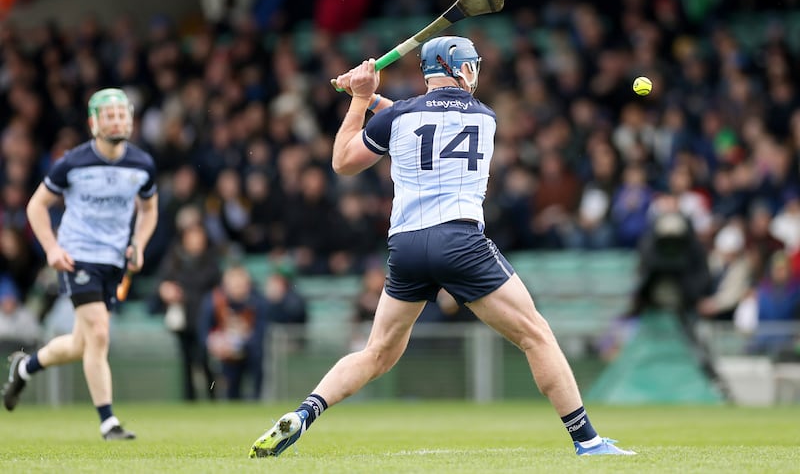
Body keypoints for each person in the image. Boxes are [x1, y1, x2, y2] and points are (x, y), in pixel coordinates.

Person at [249, 37, 635, 457]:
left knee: (377, 353)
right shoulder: (486, 117)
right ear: (459, 69)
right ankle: (588, 441)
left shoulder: (398, 116)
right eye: (472, 65)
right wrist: (371, 95)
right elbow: (425, 115)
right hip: (460, 241)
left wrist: (359, 100)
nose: (476, 72)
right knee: (536, 335)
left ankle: (304, 413)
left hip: (406, 248)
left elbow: (343, 160)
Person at [1, 88, 158, 441]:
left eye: (122, 115)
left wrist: (138, 243)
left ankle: (24, 368)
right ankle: (108, 422)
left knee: (80, 344)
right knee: (99, 334)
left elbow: (149, 210)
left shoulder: (141, 164)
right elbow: (35, 206)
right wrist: (52, 249)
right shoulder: (73, 162)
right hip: (78, 257)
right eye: (110, 116)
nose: (117, 121)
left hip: (114, 260)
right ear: (94, 123)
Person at [155, 221, 221, 401]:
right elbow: (161, 283)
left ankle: (212, 398)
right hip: (184, 320)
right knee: (186, 362)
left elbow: (214, 288)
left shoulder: (210, 261)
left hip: (205, 319)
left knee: (204, 360)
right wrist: (166, 290)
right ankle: (189, 399)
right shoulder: (174, 260)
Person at [198, 264, 267, 400]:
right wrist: (215, 344)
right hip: (223, 355)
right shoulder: (213, 301)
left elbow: (260, 333)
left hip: (249, 352)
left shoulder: (258, 303)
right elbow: (203, 332)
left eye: (240, 285)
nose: (237, 289)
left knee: (257, 359)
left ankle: (256, 399)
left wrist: (237, 344)